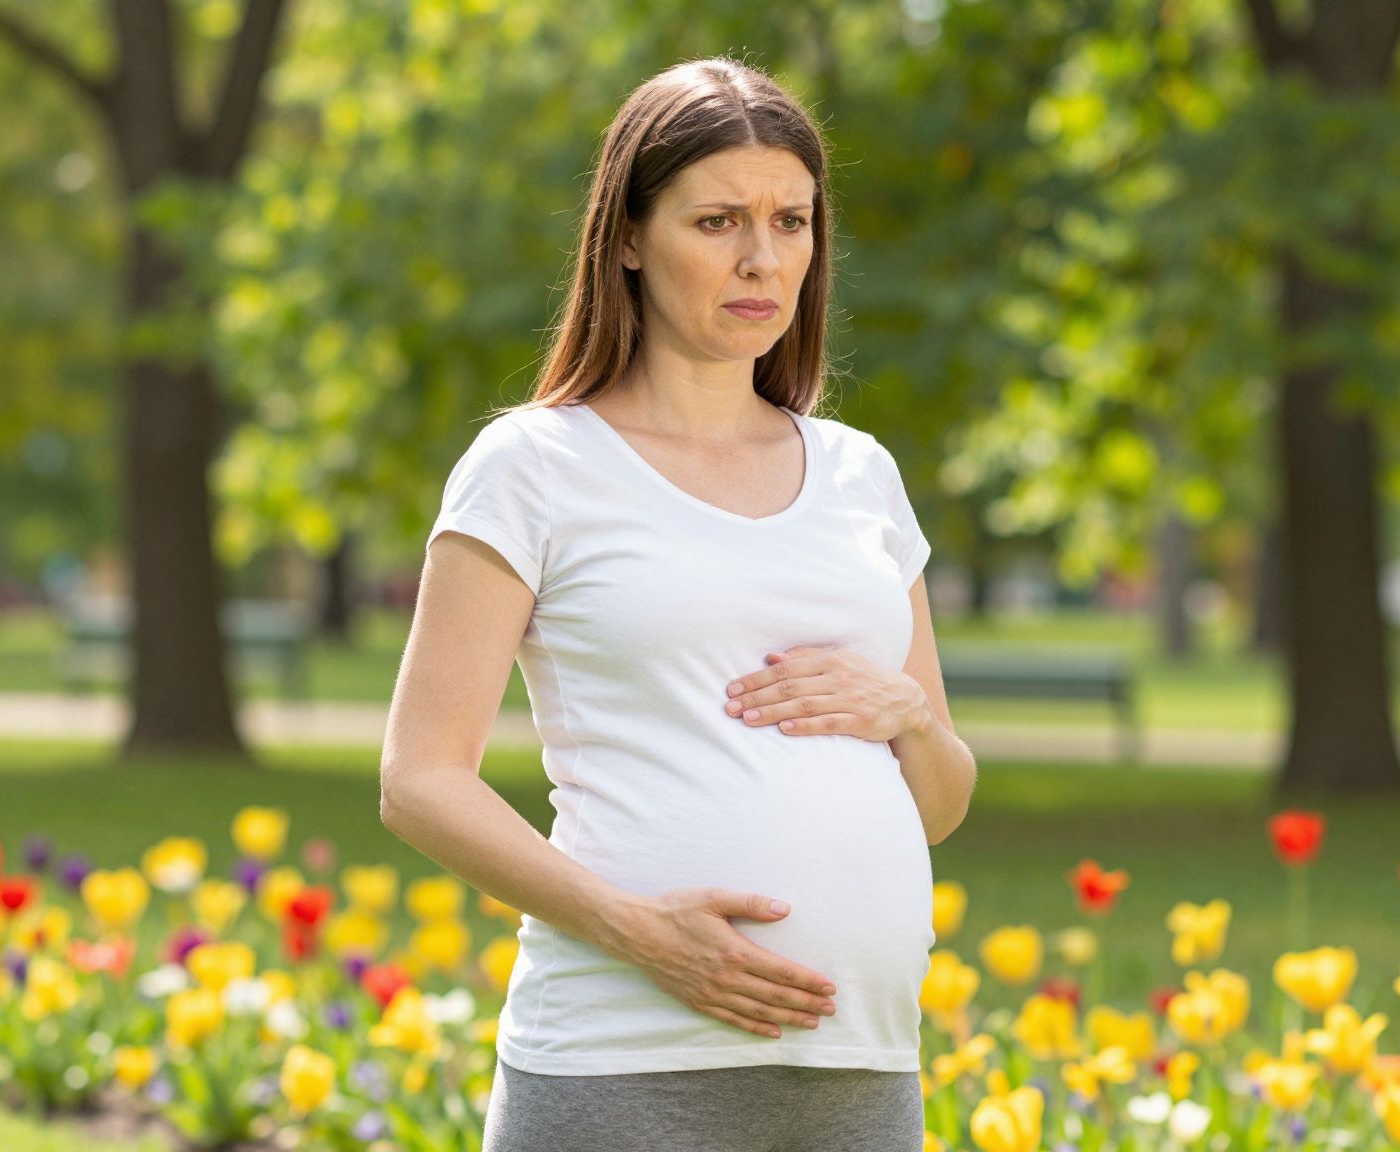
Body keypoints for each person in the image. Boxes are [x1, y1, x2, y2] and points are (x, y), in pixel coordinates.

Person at [379, 56, 977, 1150]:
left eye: (790, 221)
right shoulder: (535, 465)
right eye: (716, 221)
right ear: (625, 235)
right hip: (624, 1064)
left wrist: (909, 718)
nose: (762, 258)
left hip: (860, 1071)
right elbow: (419, 783)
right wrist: (643, 934)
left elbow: (935, 806)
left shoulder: (860, 475)